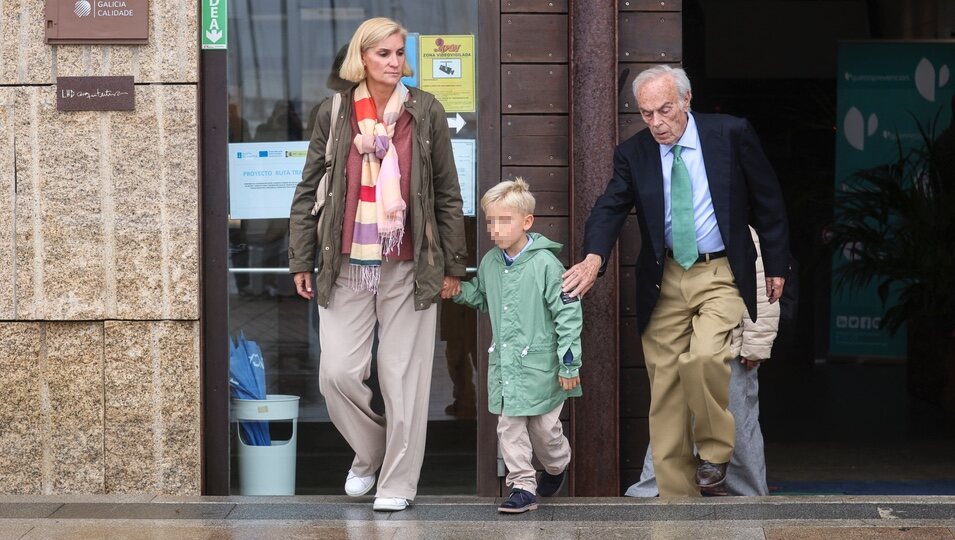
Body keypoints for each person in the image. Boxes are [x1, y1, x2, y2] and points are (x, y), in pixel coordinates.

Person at [562, 65, 790, 497]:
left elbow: (768, 197)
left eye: (665, 110)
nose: (657, 123)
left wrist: (777, 263)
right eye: (646, 114)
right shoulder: (634, 153)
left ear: (686, 100)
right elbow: (609, 207)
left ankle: (716, 449)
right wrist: (594, 258)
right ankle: (676, 511)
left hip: (721, 270)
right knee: (665, 391)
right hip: (664, 277)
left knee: (704, 358)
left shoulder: (730, 134)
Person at [288, 17, 467, 512]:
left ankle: (397, 483)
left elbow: (447, 193)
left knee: (402, 377)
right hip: (346, 260)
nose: (395, 63)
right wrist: (301, 255)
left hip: (411, 263)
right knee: (338, 373)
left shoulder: (424, 111)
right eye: (384, 54)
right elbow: (309, 189)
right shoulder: (335, 112)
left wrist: (454, 264)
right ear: (361, 58)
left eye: (400, 54)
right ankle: (370, 452)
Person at [448, 179, 582, 513]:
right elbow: (483, 297)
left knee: (545, 432)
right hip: (507, 367)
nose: (494, 229)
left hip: (543, 369)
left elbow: (568, 314)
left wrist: (569, 364)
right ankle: (522, 485)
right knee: (509, 426)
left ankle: (557, 465)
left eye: (503, 220)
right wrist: (456, 290)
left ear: (526, 221)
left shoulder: (546, 265)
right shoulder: (491, 263)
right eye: (490, 221)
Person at [627, 227, 780, 497]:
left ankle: (749, 495)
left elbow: (763, 288)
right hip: (683, 345)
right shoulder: (671, 232)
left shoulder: (743, 233)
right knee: (671, 419)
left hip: (732, 348)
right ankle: (652, 489)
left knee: (739, 425)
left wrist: (757, 345)